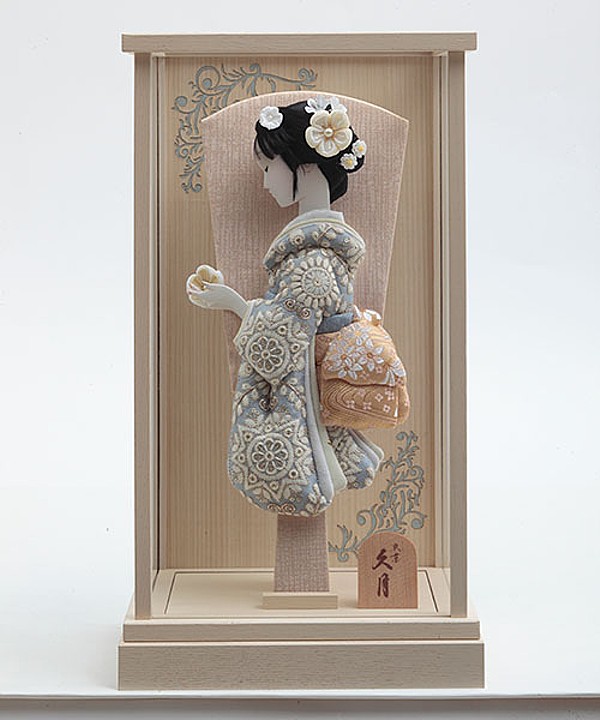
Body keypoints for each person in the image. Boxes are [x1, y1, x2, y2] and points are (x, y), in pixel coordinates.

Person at [186, 96, 393, 517]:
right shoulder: (316, 247)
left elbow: (286, 335)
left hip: (307, 387)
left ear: (306, 166)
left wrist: (232, 302)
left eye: (269, 167)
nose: (266, 182)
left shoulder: (313, 259)